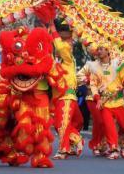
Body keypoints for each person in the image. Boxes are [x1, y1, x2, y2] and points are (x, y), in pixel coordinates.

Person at [92, 44, 124, 159]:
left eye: (101, 49)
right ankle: (113, 149)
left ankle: (123, 145)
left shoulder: (117, 64)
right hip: (105, 103)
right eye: (97, 49)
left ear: (107, 51)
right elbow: (93, 86)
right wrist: (97, 99)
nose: (99, 51)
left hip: (118, 102)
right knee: (110, 127)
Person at [49, 20, 84, 160]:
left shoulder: (68, 59)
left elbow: (61, 47)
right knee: (59, 124)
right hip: (57, 98)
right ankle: (76, 140)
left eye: (68, 40)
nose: (66, 44)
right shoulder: (54, 63)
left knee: (62, 124)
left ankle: (63, 150)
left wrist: (52, 28)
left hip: (67, 96)